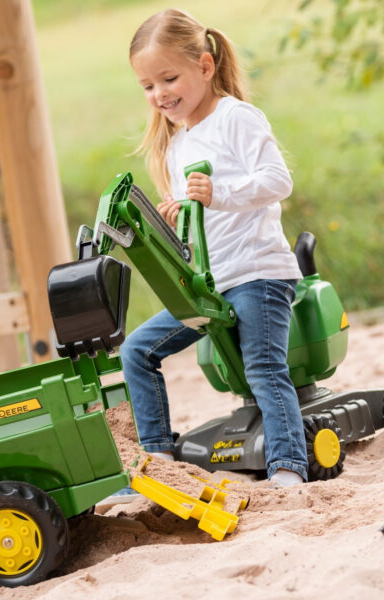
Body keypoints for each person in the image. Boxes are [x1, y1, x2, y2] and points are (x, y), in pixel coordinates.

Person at [121, 8, 308, 489]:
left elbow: (277, 180)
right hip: (211, 285)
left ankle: (288, 468)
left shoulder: (235, 118)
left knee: (263, 368)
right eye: (148, 86)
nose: (159, 94)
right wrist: (178, 216)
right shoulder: (178, 145)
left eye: (169, 78)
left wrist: (217, 193)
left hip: (256, 273)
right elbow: (201, 222)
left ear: (205, 66)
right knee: (137, 350)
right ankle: (159, 459)